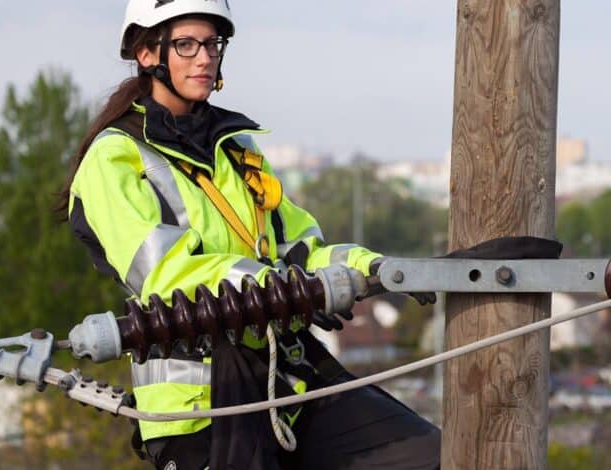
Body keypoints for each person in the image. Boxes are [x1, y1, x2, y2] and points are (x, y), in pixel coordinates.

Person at [58, 1, 440, 468]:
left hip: (287, 381)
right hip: (201, 411)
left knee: (430, 453)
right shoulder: (115, 158)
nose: (204, 57)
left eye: (213, 44)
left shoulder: (236, 146)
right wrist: (284, 287)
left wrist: (376, 268)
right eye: (186, 44)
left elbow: (300, 250)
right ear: (145, 53)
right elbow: (166, 274)